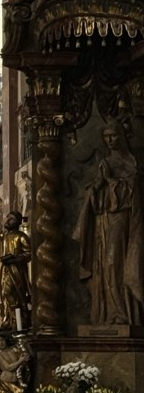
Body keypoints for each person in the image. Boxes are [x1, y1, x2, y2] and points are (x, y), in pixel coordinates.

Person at [73, 126, 144, 325]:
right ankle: (106, 314)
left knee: (115, 264)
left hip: (122, 219)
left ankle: (123, 312)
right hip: (102, 221)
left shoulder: (131, 162)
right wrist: (96, 187)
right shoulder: (105, 163)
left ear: (121, 136)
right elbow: (94, 194)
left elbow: (133, 194)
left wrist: (111, 180)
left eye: (113, 136)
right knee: (103, 267)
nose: (110, 140)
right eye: (106, 137)